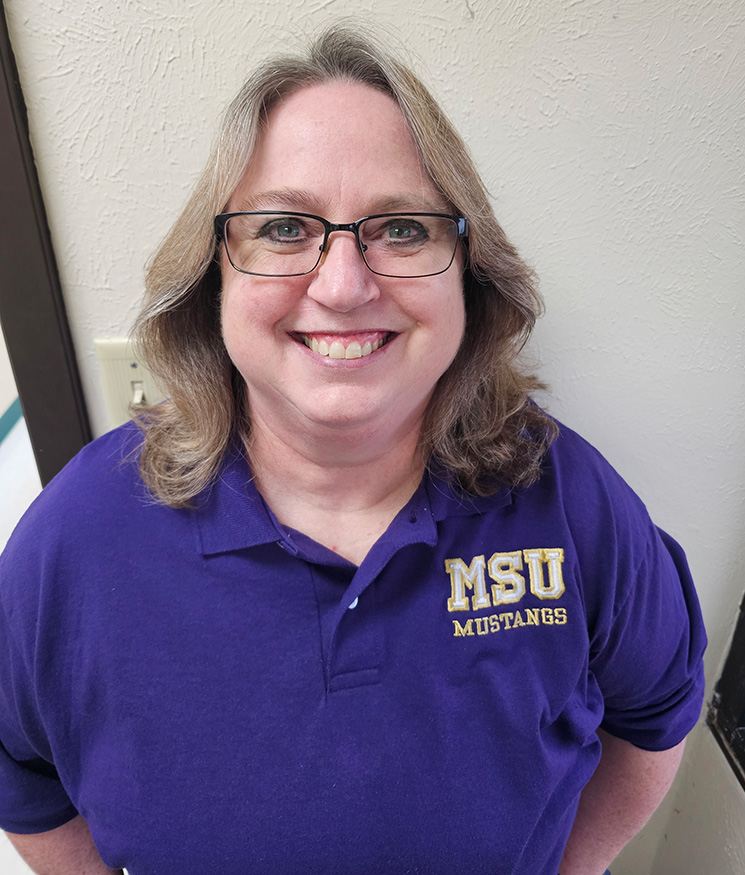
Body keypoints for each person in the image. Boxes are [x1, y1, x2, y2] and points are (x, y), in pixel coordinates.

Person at [0, 24, 705, 875]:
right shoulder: (76, 541)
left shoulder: (572, 503)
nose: (342, 285)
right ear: (214, 275)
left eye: (402, 228)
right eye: (285, 228)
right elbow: (23, 780)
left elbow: (656, 713)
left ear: (469, 275)